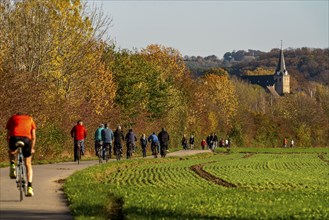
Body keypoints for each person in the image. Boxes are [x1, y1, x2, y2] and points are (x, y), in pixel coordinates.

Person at [6, 113, 36, 196]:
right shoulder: (30, 119)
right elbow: (33, 137)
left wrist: (11, 150)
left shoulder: (12, 118)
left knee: (11, 152)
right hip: (26, 140)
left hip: (14, 138)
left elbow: (8, 136)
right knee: (28, 164)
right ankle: (29, 187)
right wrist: (32, 148)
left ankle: (12, 166)